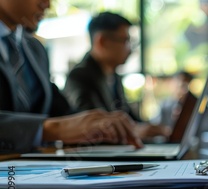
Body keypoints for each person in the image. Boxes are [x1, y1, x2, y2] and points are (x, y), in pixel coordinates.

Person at [0, 0, 142, 154]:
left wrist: (97, 124)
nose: (47, 4)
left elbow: (61, 112)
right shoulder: (82, 74)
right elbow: (59, 126)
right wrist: (50, 129)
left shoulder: (35, 49)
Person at [63, 12, 168, 140]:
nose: (130, 49)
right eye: (125, 41)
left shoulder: (114, 76)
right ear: (102, 42)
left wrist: (150, 128)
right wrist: (135, 131)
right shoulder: (79, 77)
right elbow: (91, 125)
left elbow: (127, 116)